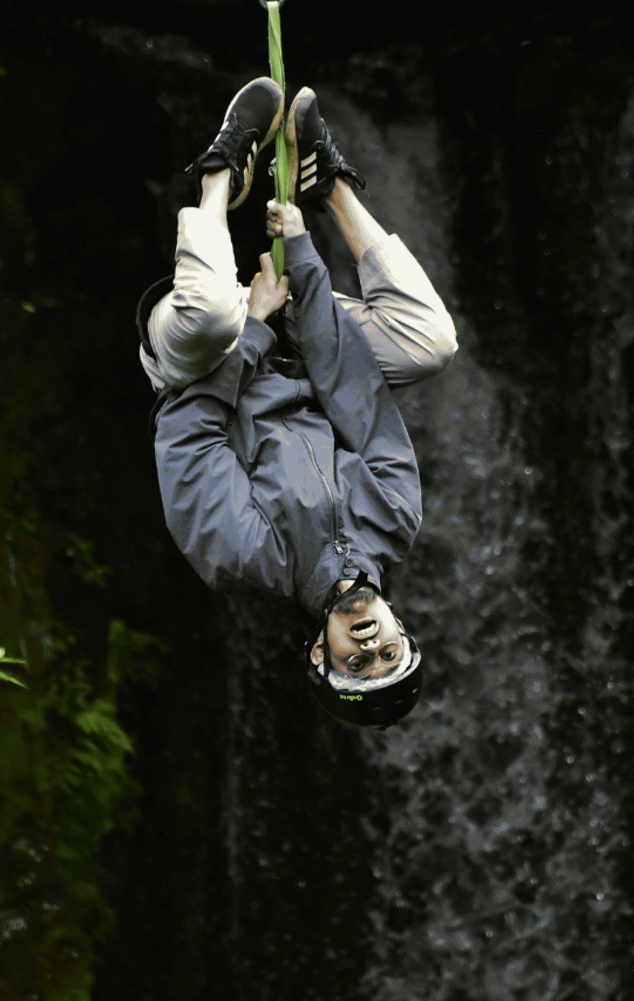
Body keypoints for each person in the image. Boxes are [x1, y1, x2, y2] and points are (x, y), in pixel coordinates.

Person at [137, 77, 457, 728]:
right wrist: (304, 253)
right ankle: (327, 177)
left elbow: (190, 430)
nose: (370, 647)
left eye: (357, 664)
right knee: (432, 344)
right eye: (389, 651)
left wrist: (254, 328)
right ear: (398, 623)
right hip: (300, 337)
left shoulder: (245, 558)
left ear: (320, 651)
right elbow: (356, 391)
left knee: (209, 315)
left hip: (203, 359)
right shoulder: (394, 517)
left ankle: (220, 172)